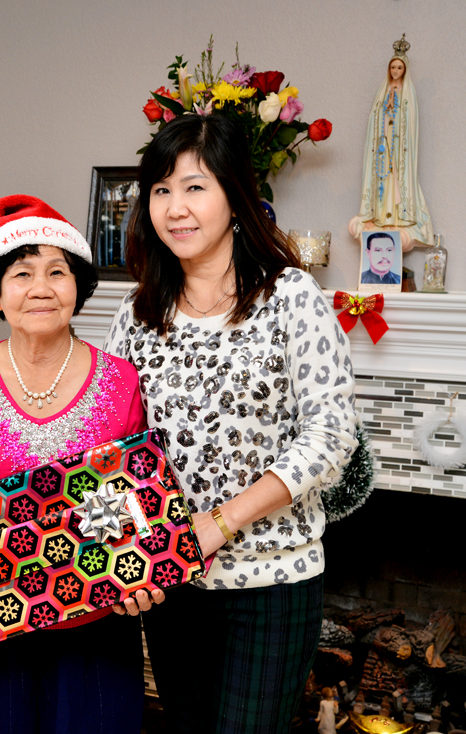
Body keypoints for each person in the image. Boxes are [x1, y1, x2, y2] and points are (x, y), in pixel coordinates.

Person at [105, 112, 358, 733]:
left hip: (272, 583)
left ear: (235, 196)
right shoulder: (136, 313)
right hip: (171, 584)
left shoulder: (291, 297)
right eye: (161, 190)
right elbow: (108, 443)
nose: (175, 207)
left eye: (195, 187)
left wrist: (221, 522)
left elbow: (330, 438)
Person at [0, 195, 154, 734]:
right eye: (21, 274)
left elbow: (136, 498)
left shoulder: (122, 381)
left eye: (57, 271)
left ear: (78, 287)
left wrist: (145, 571)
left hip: (96, 627)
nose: (42, 288)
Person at [348, 36, 434, 252]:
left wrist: (399, 135)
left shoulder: (408, 92)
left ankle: (398, 218)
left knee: (397, 180)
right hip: (383, 147)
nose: (396, 71)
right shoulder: (383, 91)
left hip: (399, 150)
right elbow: (374, 119)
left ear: (405, 69)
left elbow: (410, 121)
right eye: (393, 67)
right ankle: (380, 216)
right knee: (382, 180)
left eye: (399, 67)